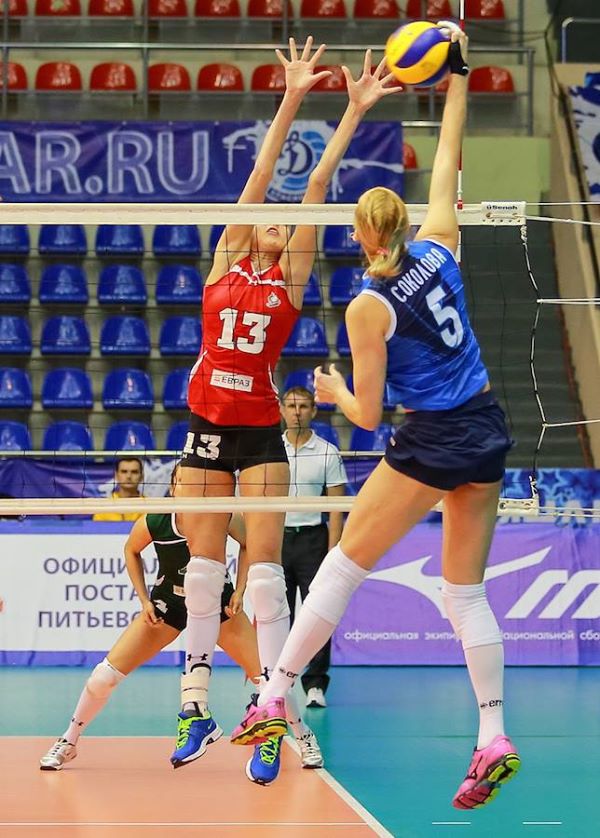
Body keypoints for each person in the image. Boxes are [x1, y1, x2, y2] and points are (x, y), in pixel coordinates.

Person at [232, 25, 521, 811]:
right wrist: (457, 77)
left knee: (343, 566)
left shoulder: (368, 306)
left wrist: (329, 393)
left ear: (361, 235)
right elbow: (449, 160)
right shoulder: (441, 244)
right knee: (465, 594)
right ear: (404, 222)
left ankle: (272, 695)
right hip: (487, 427)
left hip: (431, 437)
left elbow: (365, 417)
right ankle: (492, 733)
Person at [171, 36, 401, 786]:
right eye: (266, 215)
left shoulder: (290, 275)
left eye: (283, 218)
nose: (275, 218)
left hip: (262, 432)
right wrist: (292, 94)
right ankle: (195, 706)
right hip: (208, 428)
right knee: (203, 574)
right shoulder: (227, 257)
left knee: (265, 579)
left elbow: (316, 183)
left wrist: (351, 110)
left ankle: (270, 710)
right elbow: (262, 172)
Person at [39, 464, 322, 775]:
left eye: (200, 483)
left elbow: (248, 545)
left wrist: (240, 590)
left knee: (270, 682)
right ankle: (68, 740)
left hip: (219, 608)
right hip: (168, 607)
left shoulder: (222, 514)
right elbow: (131, 550)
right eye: (184, 482)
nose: (194, 487)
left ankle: (304, 738)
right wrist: (144, 600)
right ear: (173, 487)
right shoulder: (157, 518)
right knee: (101, 678)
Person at [280, 386, 347, 708]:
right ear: (281, 410)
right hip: (277, 538)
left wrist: (333, 553)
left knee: (318, 612)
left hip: (313, 540)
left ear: (313, 411)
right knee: (277, 614)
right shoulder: (270, 450)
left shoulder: (327, 452)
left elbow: (337, 508)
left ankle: (316, 684)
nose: (297, 412)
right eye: (291, 406)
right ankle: (276, 681)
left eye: (304, 406)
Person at [93, 457, 145, 522]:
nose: (129, 476)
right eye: (124, 472)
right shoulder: (103, 508)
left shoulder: (150, 507)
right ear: (116, 475)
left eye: (134, 472)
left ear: (142, 476)